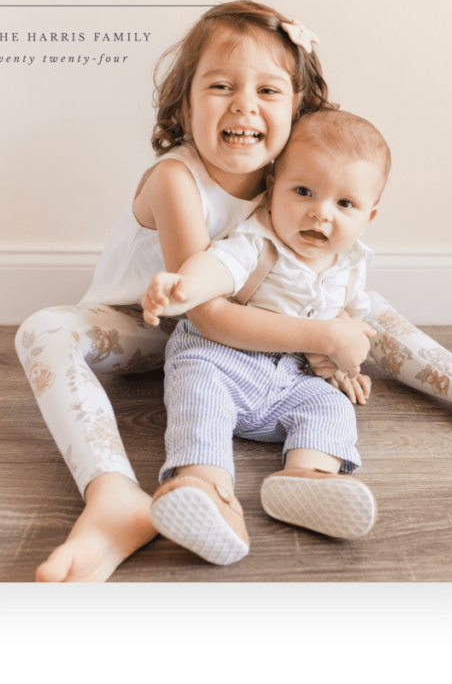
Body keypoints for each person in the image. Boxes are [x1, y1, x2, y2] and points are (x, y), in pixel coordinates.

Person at [14, 0, 452, 583]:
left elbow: (325, 280)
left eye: (268, 91)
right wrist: (323, 335)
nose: (244, 105)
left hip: (251, 335)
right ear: (185, 104)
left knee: (365, 305)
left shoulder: (296, 181)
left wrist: (333, 342)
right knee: (43, 332)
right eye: (221, 85)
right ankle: (113, 496)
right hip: (150, 324)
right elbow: (204, 314)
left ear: (298, 109)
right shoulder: (177, 179)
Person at [140, 110, 390, 565]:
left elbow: (331, 327)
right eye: (303, 192)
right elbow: (216, 267)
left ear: (369, 216)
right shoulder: (257, 240)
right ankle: (206, 486)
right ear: (273, 187)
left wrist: (337, 370)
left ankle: (308, 477)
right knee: (200, 394)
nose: (320, 212)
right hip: (223, 359)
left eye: (345, 205)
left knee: (330, 407)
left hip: (289, 379)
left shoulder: (350, 267)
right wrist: (184, 288)